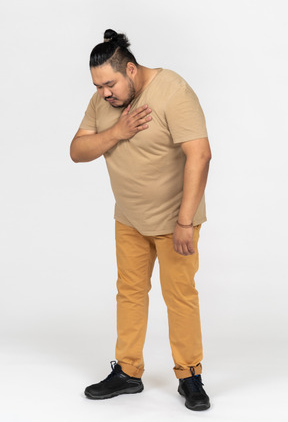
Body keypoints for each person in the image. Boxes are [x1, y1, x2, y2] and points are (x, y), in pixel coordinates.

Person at [70, 28, 212, 411]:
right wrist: (116, 132)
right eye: (98, 86)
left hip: (174, 221)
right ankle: (128, 372)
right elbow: (77, 150)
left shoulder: (172, 91)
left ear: (130, 70)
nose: (104, 93)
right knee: (129, 293)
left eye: (110, 84)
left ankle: (190, 375)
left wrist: (185, 222)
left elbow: (200, 154)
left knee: (180, 297)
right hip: (129, 219)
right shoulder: (104, 103)